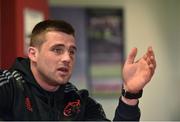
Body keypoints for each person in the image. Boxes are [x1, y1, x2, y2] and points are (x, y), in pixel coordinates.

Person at [0, 20, 156, 121]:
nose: (67, 58)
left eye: (72, 51)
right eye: (57, 50)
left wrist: (130, 93)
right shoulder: (10, 86)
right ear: (33, 54)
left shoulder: (78, 100)